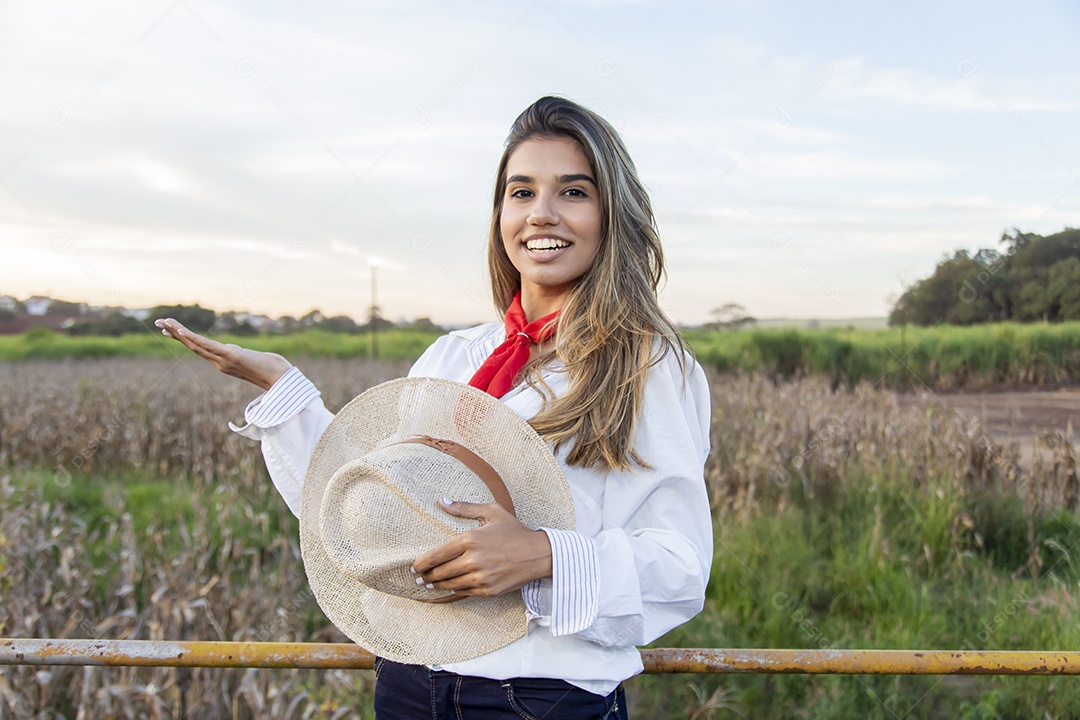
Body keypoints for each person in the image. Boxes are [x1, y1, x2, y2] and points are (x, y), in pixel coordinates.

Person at [156, 95, 712, 720]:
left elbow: (680, 564)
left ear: (613, 213)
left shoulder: (645, 365)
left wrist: (541, 555)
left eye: (574, 192)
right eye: (521, 192)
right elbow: (376, 510)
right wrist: (283, 391)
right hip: (408, 685)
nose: (542, 214)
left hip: (539, 695)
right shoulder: (453, 356)